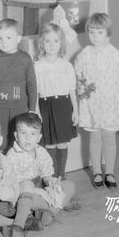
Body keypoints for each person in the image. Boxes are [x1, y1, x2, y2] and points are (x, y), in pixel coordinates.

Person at [73, 12, 119, 189]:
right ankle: (97, 171)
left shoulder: (115, 54)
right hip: (93, 104)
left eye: (100, 32)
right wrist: (82, 93)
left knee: (110, 137)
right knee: (95, 137)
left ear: (108, 33)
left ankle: (110, 172)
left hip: (111, 104)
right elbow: (78, 78)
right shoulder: (84, 54)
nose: (95, 37)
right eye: (91, 32)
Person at [6, 113, 81, 237]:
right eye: (23, 133)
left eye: (33, 134)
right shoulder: (12, 155)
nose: (28, 138)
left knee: (69, 185)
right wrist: (37, 191)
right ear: (16, 135)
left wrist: (50, 182)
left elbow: (46, 172)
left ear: (39, 137)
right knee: (29, 191)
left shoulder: (41, 151)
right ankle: (56, 207)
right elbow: (15, 183)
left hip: (42, 190)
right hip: (25, 194)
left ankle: (50, 211)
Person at [0, 19, 37, 148]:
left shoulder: (25, 58)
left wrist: (32, 109)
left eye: (8, 37)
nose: (4, 42)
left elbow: (32, 85)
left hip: (20, 108)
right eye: (0, 38)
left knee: (17, 141)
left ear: (18, 39)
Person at [34, 23, 78, 179]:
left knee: (62, 143)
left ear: (61, 44)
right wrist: (37, 112)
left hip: (63, 107)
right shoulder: (37, 66)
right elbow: (36, 92)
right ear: (41, 43)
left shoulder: (66, 66)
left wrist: (75, 111)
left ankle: (61, 175)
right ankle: (50, 176)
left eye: (56, 41)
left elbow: (72, 89)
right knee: (49, 143)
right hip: (45, 106)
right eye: (47, 41)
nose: (52, 45)